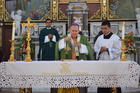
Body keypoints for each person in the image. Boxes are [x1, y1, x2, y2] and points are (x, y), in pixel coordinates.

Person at [55, 23, 94, 93]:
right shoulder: (64, 37)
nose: (74, 32)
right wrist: (63, 41)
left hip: (79, 65)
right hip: (67, 65)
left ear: (78, 31)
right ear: (69, 30)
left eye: (76, 31)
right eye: (73, 31)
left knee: (80, 83)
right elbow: (57, 46)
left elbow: (90, 50)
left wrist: (81, 46)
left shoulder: (83, 38)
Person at [94, 20, 122, 93]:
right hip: (102, 64)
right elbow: (95, 48)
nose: (103, 30)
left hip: (112, 64)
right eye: (102, 28)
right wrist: (100, 50)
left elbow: (118, 50)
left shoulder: (115, 38)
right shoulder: (99, 38)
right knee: (102, 81)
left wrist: (108, 49)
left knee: (113, 82)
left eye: (105, 28)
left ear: (110, 28)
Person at [38, 19, 60, 93]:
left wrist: (53, 37)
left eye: (49, 22)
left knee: (53, 62)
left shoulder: (54, 30)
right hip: (45, 49)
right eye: (47, 22)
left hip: (53, 49)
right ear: (45, 23)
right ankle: (45, 76)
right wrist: (47, 37)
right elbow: (40, 39)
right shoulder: (43, 31)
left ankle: (54, 76)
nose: (48, 23)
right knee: (46, 62)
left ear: (51, 23)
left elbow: (58, 38)